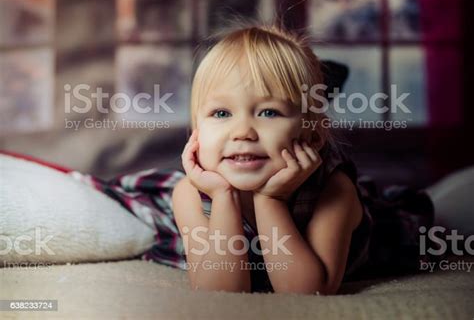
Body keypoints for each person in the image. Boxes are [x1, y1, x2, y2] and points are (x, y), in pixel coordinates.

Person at [80, 24, 473, 294]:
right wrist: (221, 198)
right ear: (195, 131)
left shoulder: (334, 191)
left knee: (445, 222)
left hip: (372, 225)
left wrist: (270, 201)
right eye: (220, 114)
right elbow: (220, 292)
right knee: (127, 201)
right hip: (215, 199)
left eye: (268, 112)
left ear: (312, 133)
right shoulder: (191, 194)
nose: (242, 132)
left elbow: (307, 291)